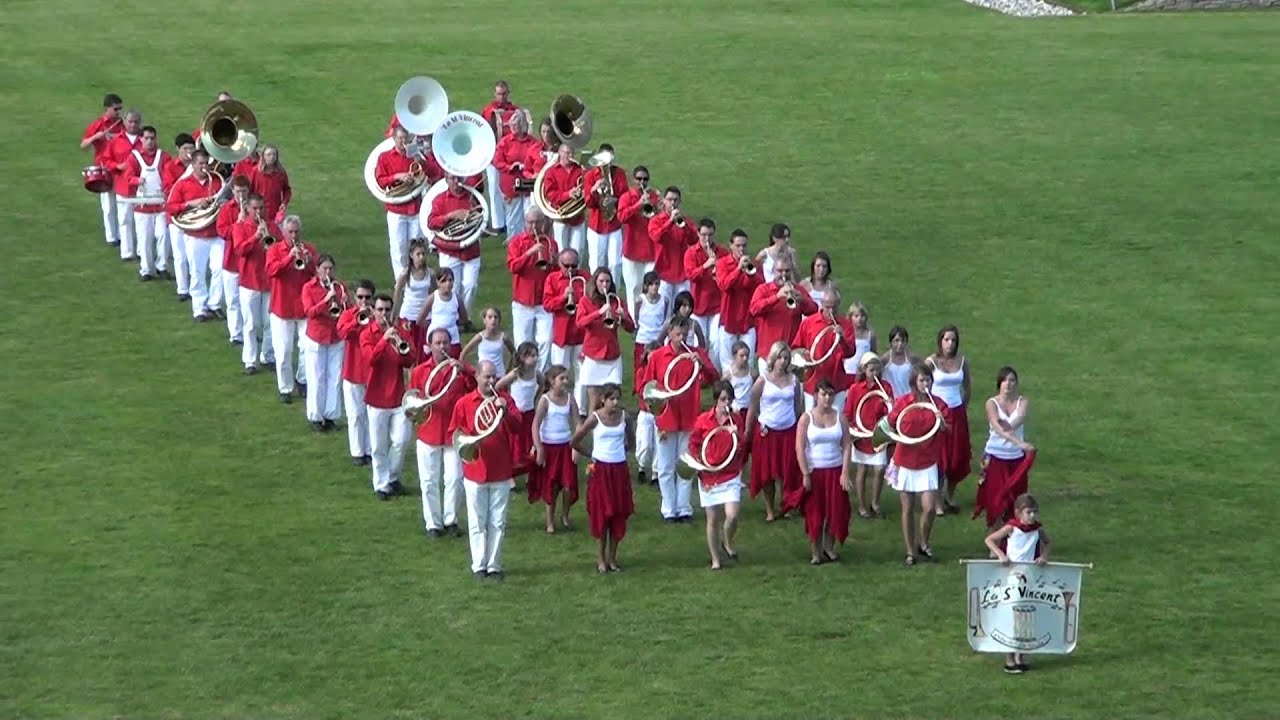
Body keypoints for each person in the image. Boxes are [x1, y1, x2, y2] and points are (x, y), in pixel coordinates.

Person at [450, 361, 524, 580]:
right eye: (487, 377)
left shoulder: (505, 400)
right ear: (477, 378)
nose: (491, 381)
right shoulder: (464, 403)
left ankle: (494, 565)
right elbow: (455, 434)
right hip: (475, 470)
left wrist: (505, 411)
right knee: (477, 521)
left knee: (497, 522)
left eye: (494, 377)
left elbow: (518, 427)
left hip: (500, 470)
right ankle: (478, 565)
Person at [643, 317, 719, 523]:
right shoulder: (658, 356)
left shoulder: (695, 355)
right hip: (666, 417)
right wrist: (655, 414)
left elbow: (714, 378)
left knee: (686, 465)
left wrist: (702, 365)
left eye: (685, 334)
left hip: (688, 417)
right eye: (678, 334)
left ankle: (684, 508)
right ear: (669, 334)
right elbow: (647, 387)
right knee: (666, 467)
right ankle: (668, 509)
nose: (682, 338)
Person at [410, 329, 478, 538]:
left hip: (452, 433)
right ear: (430, 346)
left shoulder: (458, 370)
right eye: (438, 343)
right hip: (428, 432)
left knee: (454, 479)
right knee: (429, 480)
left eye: (446, 343)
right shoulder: (420, 371)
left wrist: (465, 369)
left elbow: (476, 389)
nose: (442, 347)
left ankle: (451, 520)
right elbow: (412, 401)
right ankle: (433, 523)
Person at [886, 363, 951, 565]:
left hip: (927, 460)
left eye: (928, 380)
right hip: (905, 460)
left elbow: (948, 429)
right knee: (907, 509)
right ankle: (910, 551)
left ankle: (923, 542)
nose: (926, 384)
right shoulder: (904, 402)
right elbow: (890, 424)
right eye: (922, 380)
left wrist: (942, 423)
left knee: (929, 508)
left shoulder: (938, 404)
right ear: (914, 382)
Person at [983, 494, 1051, 674]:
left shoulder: (1037, 529)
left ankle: (1021, 654)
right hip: (1011, 575)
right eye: (1028, 512)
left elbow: (1047, 542)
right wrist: (1000, 554)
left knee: (1025, 614)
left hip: (1029, 575)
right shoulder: (1012, 528)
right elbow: (989, 540)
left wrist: (1043, 556)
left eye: (1034, 513)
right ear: (1018, 513)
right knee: (1011, 615)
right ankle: (1009, 657)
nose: (1032, 516)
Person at [570, 384, 635, 573]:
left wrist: (622, 451)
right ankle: (601, 559)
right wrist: (592, 454)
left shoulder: (625, 417)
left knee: (618, 513)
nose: (615, 403)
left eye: (617, 399)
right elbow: (575, 440)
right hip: (601, 470)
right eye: (611, 399)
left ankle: (613, 558)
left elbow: (630, 441)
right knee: (602, 514)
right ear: (603, 400)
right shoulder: (595, 418)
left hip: (619, 470)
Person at [362, 294, 415, 500]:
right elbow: (371, 359)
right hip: (376, 398)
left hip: (398, 397)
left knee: (401, 441)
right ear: (374, 311)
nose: (383, 314)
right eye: (380, 310)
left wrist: (398, 344)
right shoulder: (367, 334)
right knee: (378, 446)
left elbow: (411, 359)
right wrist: (385, 341)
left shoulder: (399, 332)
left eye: (386, 310)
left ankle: (392, 477)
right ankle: (381, 485)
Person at [689, 380, 746, 570]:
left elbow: (742, 447)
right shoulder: (703, 420)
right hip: (709, 475)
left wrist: (737, 435)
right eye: (723, 399)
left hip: (730, 474)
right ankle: (715, 559)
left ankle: (727, 540)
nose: (726, 403)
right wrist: (700, 464)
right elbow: (693, 444)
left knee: (733, 515)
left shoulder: (736, 420)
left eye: (729, 399)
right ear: (716, 400)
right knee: (712, 519)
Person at [796, 379, 854, 565]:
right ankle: (816, 551)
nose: (827, 398)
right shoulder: (806, 418)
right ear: (816, 396)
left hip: (835, 469)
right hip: (815, 471)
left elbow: (846, 445)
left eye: (830, 394)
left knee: (835, 510)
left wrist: (845, 471)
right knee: (815, 513)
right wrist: (805, 473)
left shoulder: (840, 417)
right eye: (823, 394)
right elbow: (800, 447)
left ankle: (829, 547)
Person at [746, 341, 804, 523]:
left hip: (788, 431)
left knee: (788, 472)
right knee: (768, 473)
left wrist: (798, 428)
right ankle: (770, 509)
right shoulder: (762, 380)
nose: (783, 361)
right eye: (780, 357)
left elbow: (797, 406)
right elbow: (753, 407)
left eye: (786, 358)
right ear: (773, 358)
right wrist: (749, 430)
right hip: (767, 432)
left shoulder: (794, 381)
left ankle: (786, 504)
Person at [165, 149, 225, 322]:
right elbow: (170, 207)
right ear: (193, 165)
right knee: (197, 272)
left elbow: (224, 202)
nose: (205, 167)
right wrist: (191, 204)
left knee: (219, 269)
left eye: (206, 163)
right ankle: (199, 307)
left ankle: (214, 304)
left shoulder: (216, 182)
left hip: (215, 234)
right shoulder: (183, 184)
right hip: (195, 235)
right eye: (201, 164)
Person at [974, 367, 1036, 529]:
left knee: (1017, 500)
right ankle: (993, 541)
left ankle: (1015, 539)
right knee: (995, 501)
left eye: (1012, 380)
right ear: (999, 383)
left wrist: (1007, 426)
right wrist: (1020, 443)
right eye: (1004, 381)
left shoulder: (1023, 401)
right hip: (995, 457)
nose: (1008, 384)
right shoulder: (991, 403)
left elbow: (1020, 418)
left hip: (1016, 459)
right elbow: (997, 428)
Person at [265, 215, 316, 403]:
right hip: (282, 308)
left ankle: (302, 380)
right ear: (283, 232)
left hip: (303, 307)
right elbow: (271, 271)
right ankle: (285, 388)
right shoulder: (275, 250)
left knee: (306, 348)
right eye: (290, 232)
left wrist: (309, 261)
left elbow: (316, 276)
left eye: (296, 232)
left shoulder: (308, 249)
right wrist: (289, 257)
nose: (294, 235)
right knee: (284, 350)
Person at [230, 194, 279, 375]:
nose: (258, 212)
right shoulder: (240, 227)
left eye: (261, 208)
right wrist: (255, 236)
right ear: (248, 209)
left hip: (269, 282)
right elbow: (240, 250)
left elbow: (280, 247)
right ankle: (250, 360)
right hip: (249, 282)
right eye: (255, 208)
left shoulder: (272, 226)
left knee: (269, 323)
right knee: (250, 324)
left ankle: (268, 355)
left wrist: (269, 238)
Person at [926, 324, 972, 514]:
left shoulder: (962, 361)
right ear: (940, 341)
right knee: (940, 458)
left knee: (957, 457)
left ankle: (949, 496)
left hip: (957, 412)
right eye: (946, 340)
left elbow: (967, 386)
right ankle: (936, 503)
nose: (950, 344)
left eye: (953, 340)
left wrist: (963, 405)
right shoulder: (931, 362)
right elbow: (921, 385)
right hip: (938, 414)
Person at [575, 268, 635, 413]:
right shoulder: (585, 300)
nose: (604, 285)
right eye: (601, 281)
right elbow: (580, 323)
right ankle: (594, 433)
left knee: (612, 401)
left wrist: (623, 317)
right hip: (593, 355)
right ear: (595, 282)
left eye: (607, 281)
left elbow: (631, 328)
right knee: (595, 403)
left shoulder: (616, 300)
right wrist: (599, 312)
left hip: (612, 355)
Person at [843, 352, 894, 519]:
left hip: (877, 435)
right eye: (871, 370)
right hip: (861, 436)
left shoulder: (885, 388)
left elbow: (891, 415)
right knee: (862, 470)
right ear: (864, 370)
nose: (875, 373)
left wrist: (890, 404)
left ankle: (875, 502)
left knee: (880, 469)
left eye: (877, 370)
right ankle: (862, 506)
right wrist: (853, 431)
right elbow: (848, 413)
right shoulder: (855, 389)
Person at [529, 364, 580, 533]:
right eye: (561, 378)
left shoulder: (570, 399)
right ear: (552, 381)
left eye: (566, 378)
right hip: (549, 447)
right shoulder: (545, 400)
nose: (565, 381)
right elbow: (535, 425)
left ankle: (565, 515)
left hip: (565, 446)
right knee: (551, 485)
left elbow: (578, 424)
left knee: (568, 484)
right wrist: (539, 448)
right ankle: (550, 521)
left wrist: (576, 446)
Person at [427, 174, 483, 322]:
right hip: (449, 251)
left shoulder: (472, 197)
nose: (457, 182)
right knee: (451, 287)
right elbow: (431, 223)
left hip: (471, 249)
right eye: (452, 179)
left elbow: (483, 218)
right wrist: (451, 216)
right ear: (446, 180)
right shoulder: (439, 199)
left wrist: (473, 215)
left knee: (470, 286)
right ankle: (452, 318)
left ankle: (464, 318)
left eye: (459, 178)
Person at [505, 207, 556, 371]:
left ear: (543, 223)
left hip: (543, 302)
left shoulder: (550, 242)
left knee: (546, 340)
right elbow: (513, 267)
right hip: (522, 302)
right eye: (530, 222)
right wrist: (529, 253)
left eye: (537, 222)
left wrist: (554, 262)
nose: (534, 226)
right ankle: (522, 375)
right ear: (525, 222)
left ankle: (540, 376)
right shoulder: (516, 242)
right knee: (522, 343)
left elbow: (554, 274)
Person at [301, 255, 346, 432]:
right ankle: (315, 416)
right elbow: (309, 312)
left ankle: (331, 416)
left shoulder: (339, 287)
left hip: (335, 336)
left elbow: (347, 309)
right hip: (316, 336)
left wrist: (343, 303)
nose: (328, 272)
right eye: (324, 268)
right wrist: (326, 301)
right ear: (318, 269)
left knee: (334, 377)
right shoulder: (308, 288)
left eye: (330, 269)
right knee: (316, 377)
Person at [542, 248, 591, 414]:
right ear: (559, 263)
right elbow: (547, 305)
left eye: (574, 265)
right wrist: (563, 297)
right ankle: (558, 405)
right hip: (561, 335)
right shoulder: (552, 278)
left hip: (581, 335)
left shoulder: (584, 278)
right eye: (567, 265)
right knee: (559, 375)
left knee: (582, 375)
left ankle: (580, 410)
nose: (571, 270)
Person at [748, 257, 817, 374]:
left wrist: (803, 300)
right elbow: (754, 309)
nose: (784, 274)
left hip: (790, 354)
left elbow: (814, 311)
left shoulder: (798, 290)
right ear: (774, 271)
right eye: (780, 271)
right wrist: (776, 297)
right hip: (768, 353)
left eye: (787, 271)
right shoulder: (763, 289)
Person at [792, 291, 857, 412]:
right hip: (812, 381)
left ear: (839, 305)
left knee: (836, 419)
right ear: (821, 304)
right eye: (827, 307)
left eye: (834, 307)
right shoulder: (808, 323)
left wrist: (842, 338)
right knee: (811, 417)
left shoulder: (846, 325)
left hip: (836, 381)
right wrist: (804, 356)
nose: (831, 311)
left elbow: (851, 352)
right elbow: (796, 348)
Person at [631, 272, 667, 485]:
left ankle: (655, 471)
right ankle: (643, 465)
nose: (655, 288)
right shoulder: (640, 301)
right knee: (645, 443)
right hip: (646, 409)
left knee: (659, 438)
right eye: (651, 284)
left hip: (659, 410)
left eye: (657, 284)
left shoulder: (664, 300)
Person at [374, 126, 423, 281]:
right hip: (396, 209)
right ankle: (401, 282)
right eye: (400, 138)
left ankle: (416, 279)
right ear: (394, 139)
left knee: (416, 247)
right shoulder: (385, 157)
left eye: (405, 138)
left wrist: (420, 160)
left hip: (415, 208)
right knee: (399, 249)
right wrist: (397, 177)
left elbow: (430, 173)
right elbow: (380, 181)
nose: (403, 142)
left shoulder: (415, 155)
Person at [336, 279, 376, 465]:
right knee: (355, 415)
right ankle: (357, 452)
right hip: (352, 371)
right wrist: (357, 319)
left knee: (371, 416)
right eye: (360, 297)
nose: (364, 301)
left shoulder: (378, 316)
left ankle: (370, 449)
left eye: (367, 297)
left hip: (372, 373)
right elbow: (343, 333)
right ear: (355, 297)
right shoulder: (347, 315)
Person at [122, 125, 169, 281]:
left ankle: (162, 266)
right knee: (144, 239)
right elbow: (127, 178)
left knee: (163, 235)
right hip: (142, 206)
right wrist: (137, 180)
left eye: (152, 138)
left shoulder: (163, 156)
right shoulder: (134, 157)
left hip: (161, 204)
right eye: (146, 138)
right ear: (141, 139)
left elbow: (169, 175)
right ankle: (146, 269)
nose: (149, 141)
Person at [715, 228, 762, 371]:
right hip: (728, 319)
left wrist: (750, 273)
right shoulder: (722, 263)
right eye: (738, 245)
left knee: (748, 361)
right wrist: (738, 270)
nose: (741, 249)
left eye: (744, 245)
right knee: (727, 364)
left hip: (747, 321)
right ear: (731, 245)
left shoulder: (753, 264)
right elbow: (723, 285)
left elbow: (760, 285)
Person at [81, 93, 124, 246]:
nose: (119, 112)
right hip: (103, 168)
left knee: (122, 204)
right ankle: (111, 237)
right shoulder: (98, 124)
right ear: (107, 108)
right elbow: (83, 145)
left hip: (119, 168)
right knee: (108, 205)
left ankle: (121, 235)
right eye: (116, 109)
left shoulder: (121, 124)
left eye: (120, 109)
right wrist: (95, 138)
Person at [496, 341, 542, 482]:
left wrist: (536, 398)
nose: (534, 359)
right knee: (513, 443)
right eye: (530, 356)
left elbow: (543, 384)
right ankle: (510, 475)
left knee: (528, 442)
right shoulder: (515, 374)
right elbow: (498, 386)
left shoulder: (537, 374)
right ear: (522, 358)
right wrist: (508, 401)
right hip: (516, 413)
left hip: (529, 413)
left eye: (535, 356)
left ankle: (529, 471)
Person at [583, 143, 628, 281]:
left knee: (615, 263)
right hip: (597, 225)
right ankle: (596, 293)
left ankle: (613, 291)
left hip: (614, 224)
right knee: (596, 263)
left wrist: (614, 200)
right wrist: (594, 189)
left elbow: (625, 197)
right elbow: (588, 203)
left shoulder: (619, 174)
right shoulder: (591, 175)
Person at [684, 218, 727, 364]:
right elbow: (690, 275)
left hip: (717, 306)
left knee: (715, 342)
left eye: (710, 235)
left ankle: (713, 372)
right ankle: (698, 372)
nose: (707, 239)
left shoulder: (722, 252)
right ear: (697, 233)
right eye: (703, 235)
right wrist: (705, 266)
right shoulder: (691, 253)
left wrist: (718, 269)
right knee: (698, 343)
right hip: (698, 306)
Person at [615, 166, 659, 309]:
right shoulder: (626, 197)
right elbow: (621, 217)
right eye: (639, 179)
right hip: (632, 251)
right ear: (634, 180)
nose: (642, 182)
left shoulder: (654, 196)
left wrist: (658, 206)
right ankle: (634, 323)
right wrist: (638, 205)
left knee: (651, 289)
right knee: (633, 289)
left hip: (651, 251)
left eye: (645, 179)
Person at [215, 175, 252, 346]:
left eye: (244, 192)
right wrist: (238, 224)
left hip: (249, 263)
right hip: (231, 261)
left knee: (249, 303)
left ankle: (248, 332)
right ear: (232, 191)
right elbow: (222, 232)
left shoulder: (255, 209)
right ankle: (235, 333)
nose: (241, 196)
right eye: (237, 192)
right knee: (232, 300)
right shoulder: (227, 209)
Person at [479, 80, 520, 232]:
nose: (501, 97)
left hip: (510, 156)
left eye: (504, 94)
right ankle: (498, 223)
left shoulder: (515, 110)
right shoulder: (488, 111)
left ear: (508, 93)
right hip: (493, 154)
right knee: (495, 188)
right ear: (494, 94)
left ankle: (511, 220)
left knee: (509, 189)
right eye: (499, 94)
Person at [103, 109, 143, 261]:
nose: (133, 125)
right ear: (125, 122)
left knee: (141, 221)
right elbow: (106, 160)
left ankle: (141, 251)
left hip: (140, 186)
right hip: (123, 186)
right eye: (130, 121)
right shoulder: (115, 141)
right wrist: (117, 166)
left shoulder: (144, 140)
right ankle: (127, 252)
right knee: (125, 219)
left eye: (136, 122)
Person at [492, 111, 540, 236]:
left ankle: (529, 241)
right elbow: (497, 161)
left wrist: (529, 168)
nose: (512, 127)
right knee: (513, 219)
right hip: (512, 185)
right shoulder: (505, 142)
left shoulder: (533, 142)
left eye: (515, 125)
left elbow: (538, 160)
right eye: (511, 124)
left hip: (528, 185)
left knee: (529, 215)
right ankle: (514, 245)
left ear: (522, 125)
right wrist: (510, 167)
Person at [646, 186, 697, 302]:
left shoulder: (686, 221)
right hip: (663, 273)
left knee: (683, 310)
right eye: (669, 199)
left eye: (675, 200)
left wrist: (685, 228)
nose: (672, 203)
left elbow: (693, 240)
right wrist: (670, 222)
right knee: (664, 311)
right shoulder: (656, 220)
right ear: (663, 201)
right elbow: (656, 237)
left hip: (682, 274)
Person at [163, 133, 196, 301]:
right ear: (178, 149)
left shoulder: (199, 167)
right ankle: (182, 289)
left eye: (191, 148)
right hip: (176, 216)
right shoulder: (170, 167)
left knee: (193, 256)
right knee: (180, 255)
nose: (189, 152)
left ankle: (195, 288)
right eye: (185, 149)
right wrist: (188, 173)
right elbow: (169, 191)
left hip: (195, 218)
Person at [392, 238, 434, 364]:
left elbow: (433, 295)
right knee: (410, 353)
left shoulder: (430, 274)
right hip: (408, 316)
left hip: (425, 317)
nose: (421, 257)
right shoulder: (405, 274)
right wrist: (393, 316)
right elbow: (397, 295)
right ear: (411, 255)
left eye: (423, 254)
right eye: (418, 254)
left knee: (424, 352)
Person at [541, 143, 587, 256]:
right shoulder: (551, 172)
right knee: (561, 251)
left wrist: (583, 191)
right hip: (561, 218)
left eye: (572, 153)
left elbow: (588, 186)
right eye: (567, 153)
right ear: (560, 153)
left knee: (579, 251)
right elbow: (550, 195)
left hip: (578, 217)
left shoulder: (580, 170)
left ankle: (576, 272)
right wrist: (568, 195)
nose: (570, 156)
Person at [417, 267, 466, 359]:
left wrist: (453, 323)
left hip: (452, 337)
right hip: (435, 336)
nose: (447, 284)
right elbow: (420, 319)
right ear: (438, 282)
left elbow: (464, 318)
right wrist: (432, 325)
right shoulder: (433, 298)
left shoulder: (457, 298)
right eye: (443, 281)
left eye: (450, 280)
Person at [461, 307, 517, 376]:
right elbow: (464, 353)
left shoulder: (503, 337)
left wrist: (508, 370)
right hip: (483, 374)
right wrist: (469, 369)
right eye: (490, 317)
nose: (493, 320)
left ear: (499, 320)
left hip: (499, 374)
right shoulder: (480, 337)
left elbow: (514, 353)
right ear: (484, 320)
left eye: (496, 317)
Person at [247, 144, 291, 223]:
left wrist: (284, 203)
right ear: (263, 156)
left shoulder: (280, 172)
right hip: (260, 209)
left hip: (275, 209)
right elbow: (249, 190)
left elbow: (287, 189)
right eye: (269, 154)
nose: (272, 157)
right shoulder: (256, 171)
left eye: (274, 154)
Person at [842, 302, 878, 377]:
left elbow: (873, 353)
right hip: (848, 370)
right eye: (856, 316)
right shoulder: (846, 334)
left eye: (862, 316)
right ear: (850, 317)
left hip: (863, 372)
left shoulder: (870, 334)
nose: (859, 319)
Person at [724, 340, 755, 429]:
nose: (745, 358)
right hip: (734, 409)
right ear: (734, 356)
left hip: (749, 409)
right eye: (741, 356)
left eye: (747, 356)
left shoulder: (752, 373)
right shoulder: (728, 375)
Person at [880, 325, 916, 397]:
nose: (900, 344)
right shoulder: (884, 360)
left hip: (907, 398)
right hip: (891, 398)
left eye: (903, 341)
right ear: (891, 342)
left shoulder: (912, 359)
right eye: (897, 341)